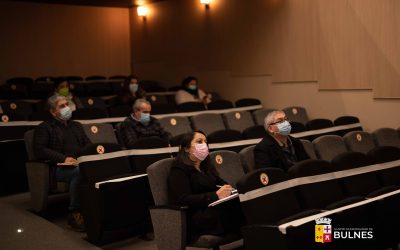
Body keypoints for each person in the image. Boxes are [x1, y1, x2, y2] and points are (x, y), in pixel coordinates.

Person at [168, 131, 243, 242]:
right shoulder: (178, 169)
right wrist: (215, 195)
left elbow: (221, 183)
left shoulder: (206, 166)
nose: (204, 144)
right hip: (197, 215)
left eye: (205, 142)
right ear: (186, 148)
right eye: (199, 142)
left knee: (243, 205)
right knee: (238, 214)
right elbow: (183, 199)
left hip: (214, 208)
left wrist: (229, 189)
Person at [33, 94, 91, 231]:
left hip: (80, 163)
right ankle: (74, 213)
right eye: (62, 106)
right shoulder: (45, 127)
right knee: (78, 172)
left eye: (67, 105)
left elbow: (88, 144)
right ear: (53, 111)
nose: (67, 108)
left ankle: (95, 208)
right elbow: (39, 150)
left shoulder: (76, 125)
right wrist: (63, 159)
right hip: (59, 168)